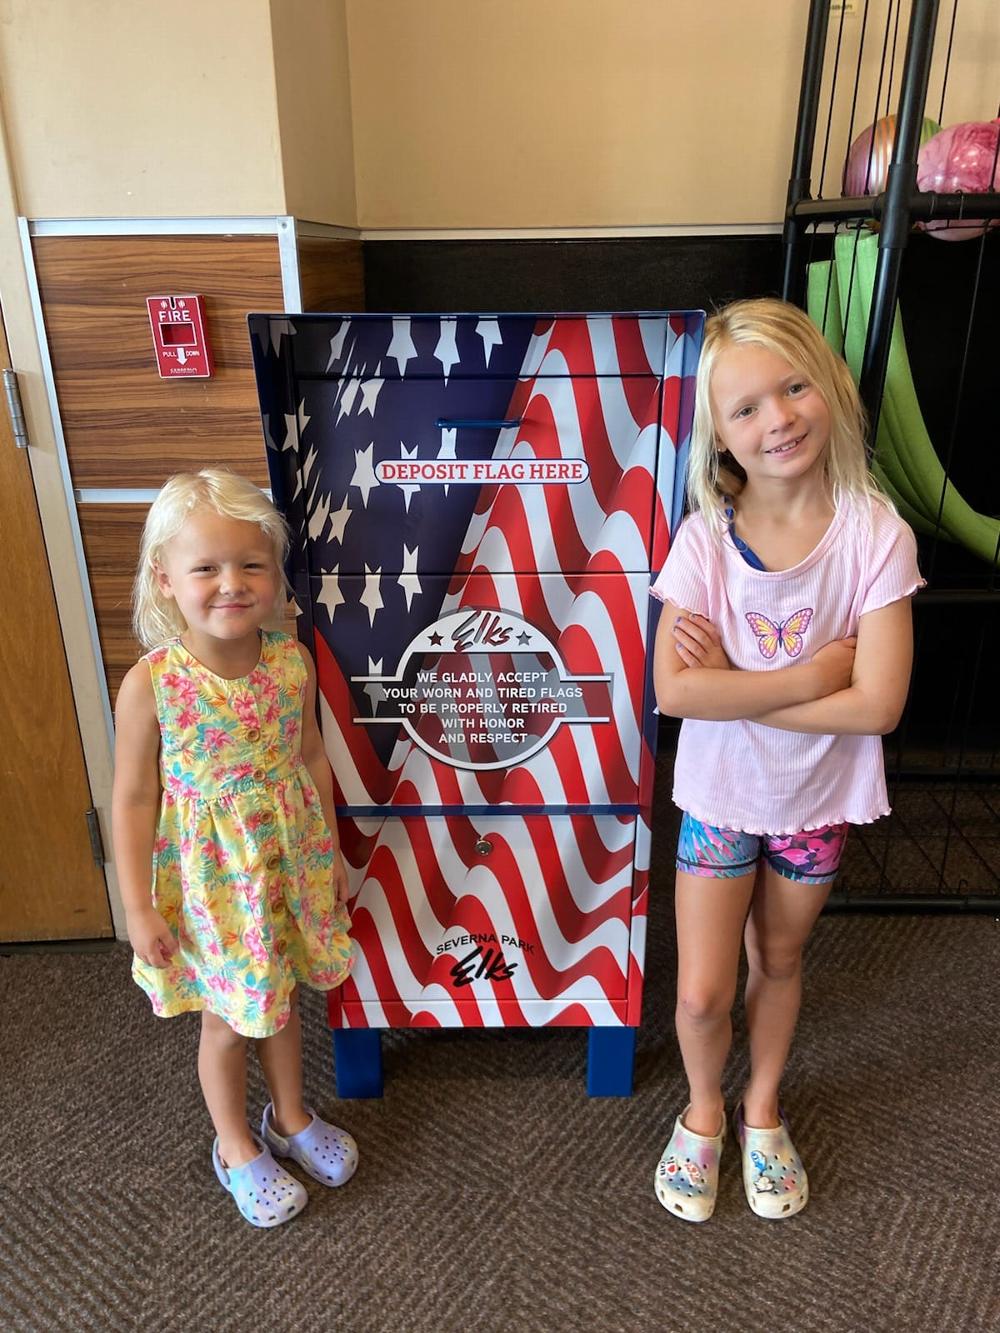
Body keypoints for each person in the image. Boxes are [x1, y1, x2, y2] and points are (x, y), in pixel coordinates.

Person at [649, 298, 923, 1223]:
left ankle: (761, 1104)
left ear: (830, 383)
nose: (778, 419)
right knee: (698, 989)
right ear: (721, 436)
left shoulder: (876, 534)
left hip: (818, 806)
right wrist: (813, 673)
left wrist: (744, 679)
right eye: (747, 409)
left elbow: (878, 704)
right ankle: (702, 1106)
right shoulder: (703, 544)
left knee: (781, 952)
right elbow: (678, 693)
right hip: (721, 798)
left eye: (793, 386)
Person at [112, 468, 357, 1228]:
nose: (230, 584)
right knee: (227, 1019)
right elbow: (131, 797)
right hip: (213, 885)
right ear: (166, 579)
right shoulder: (154, 683)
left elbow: (312, 756)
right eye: (206, 567)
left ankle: (288, 1115)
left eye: (250, 564)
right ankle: (235, 1146)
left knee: (278, 1000)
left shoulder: (291, 660)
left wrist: (332, 854)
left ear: (275, 575)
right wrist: (137, 905)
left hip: (285, 866)